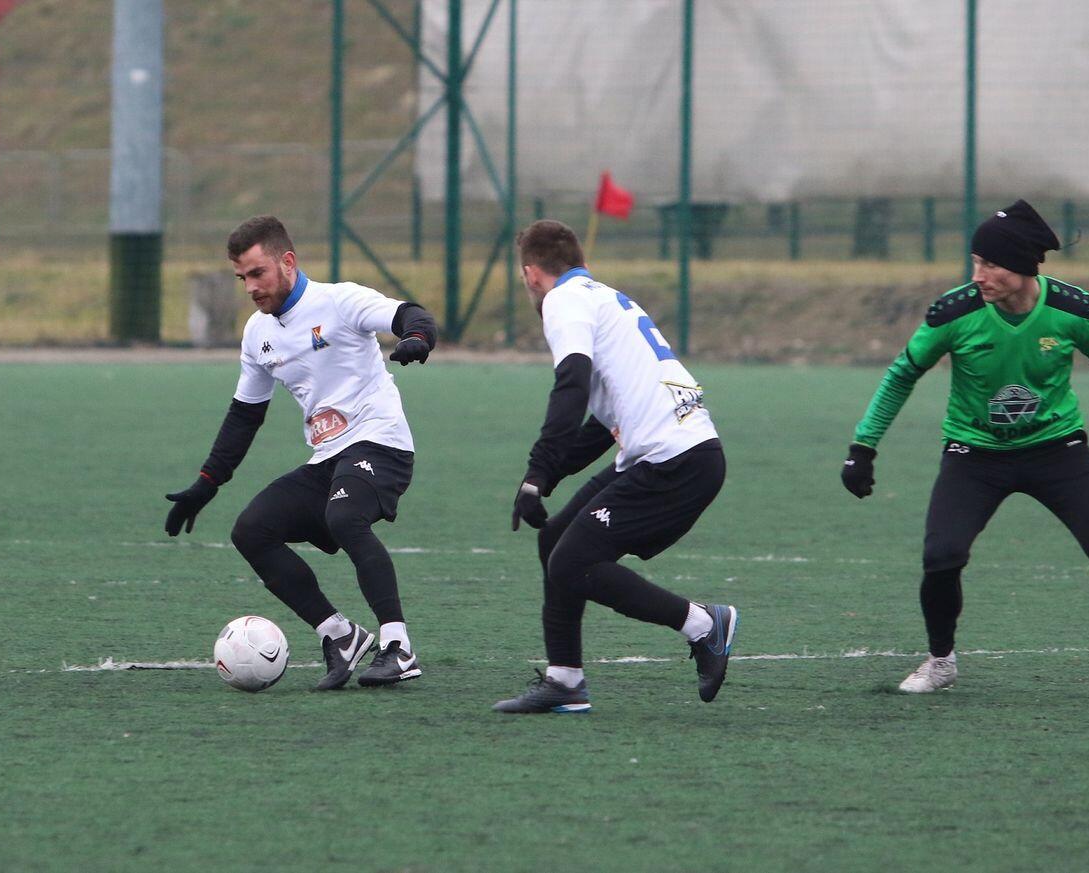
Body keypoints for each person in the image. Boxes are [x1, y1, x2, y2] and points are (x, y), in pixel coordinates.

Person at [841, 199, 1089, 699]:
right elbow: (902, 374)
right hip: (974, 456)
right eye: (976, 262)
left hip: (1058, 453)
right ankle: (940, 662)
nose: (978, 276)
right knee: (942, 556)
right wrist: (863, 447)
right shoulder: (954, 313)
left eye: (991, 265)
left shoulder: (1072, 309)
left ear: (1024, 266)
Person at [165, 215, 438, 691]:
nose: (251, 287)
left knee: (344, 516)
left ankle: (398, 646)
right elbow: (245, 415)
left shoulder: (339, 301)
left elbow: (411, 315)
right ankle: (339, 634)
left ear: (287, 262)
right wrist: (206, 484)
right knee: (252, 531)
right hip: (327, 458)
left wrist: (417, 338)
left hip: (381, 442)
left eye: (258, 273)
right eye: (242, 278)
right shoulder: (257, 334)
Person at [494, 219, 737, 714]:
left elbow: (571, 387)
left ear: (531, 274)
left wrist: (538, 471)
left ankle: (704, 625)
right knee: (555, 541)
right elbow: (604, 424)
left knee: (572, 563)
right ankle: (565, 682)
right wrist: (544, 478)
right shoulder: (605, 297)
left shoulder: (563, 301)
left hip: (675, 461)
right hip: (680, 453)